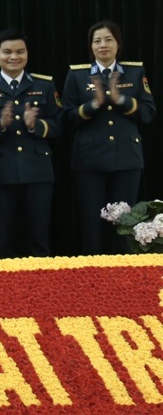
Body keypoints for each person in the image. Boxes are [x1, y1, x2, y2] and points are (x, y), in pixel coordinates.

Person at [63, 19, 156, 254]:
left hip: (126, 157)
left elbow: (148, 113)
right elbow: (68, 117)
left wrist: (121, 99)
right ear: (91, 46)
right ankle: (93, 270)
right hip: (89, 160)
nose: (103, 45)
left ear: (118, 44)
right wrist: (94, 104)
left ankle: (122, 270)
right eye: (97, 41)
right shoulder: (77, 75)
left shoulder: (135, 72)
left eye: (108, 39)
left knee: (124, 222)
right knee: (91, 222)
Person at [0, 30, 63, 258]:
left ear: (27, 54)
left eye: (20, 51)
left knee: (38, 239)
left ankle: (41, 280)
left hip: (37, 172)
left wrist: (36, 125)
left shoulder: (45, 85)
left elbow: (59, 125)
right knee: (1, 240)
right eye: (7, 52)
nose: (14, 57)